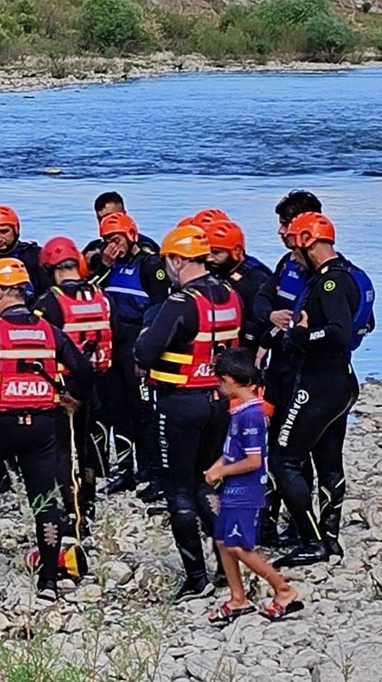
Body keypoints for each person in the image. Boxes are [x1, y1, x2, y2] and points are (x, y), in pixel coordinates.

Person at [0, 258, 91, 601]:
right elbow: (83, 368)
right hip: (41, 425)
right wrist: (72, 397)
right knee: (45, 502)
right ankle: (50, 583)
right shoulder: (49, 331)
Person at [134, 224, 241, 602]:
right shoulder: (230, 294)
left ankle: (196, 576)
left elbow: (144, 353)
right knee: (206, 483)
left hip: (180, 404)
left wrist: (145, 337)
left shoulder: (180, 304)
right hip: (219, 401)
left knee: (179, 491)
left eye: (169, 262)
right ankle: (232, 561)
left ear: (179, 260)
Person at [273, 213, 374, 568]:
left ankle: (313, 540)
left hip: (318, 384)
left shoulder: (329, 283)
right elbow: (367, 323)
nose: (291, 253)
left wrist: (299, 335)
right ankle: (329, 537)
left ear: (306, 241)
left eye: (293, 244)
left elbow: (337, 332)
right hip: (341, 380)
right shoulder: (352, 275)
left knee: (283, 460)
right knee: (328, 462)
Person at [203, 348, 303, 625]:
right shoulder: (241, 410)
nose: (219, 386)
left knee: (239, 545)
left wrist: (222, 469)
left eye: (220, 381)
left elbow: (253, 460)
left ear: (230, 380)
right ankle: (238, 598)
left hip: (246, 489)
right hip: (232, 486)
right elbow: (233, 449)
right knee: (223, 540)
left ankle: (283, 590)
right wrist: (217, 466)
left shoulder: (252, 416)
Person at [252, 190, 320, 548]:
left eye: (283, 224)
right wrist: (271, 317)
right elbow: (262, 299)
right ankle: (271, 520)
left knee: (294, 450)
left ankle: (304, 527)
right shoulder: (286, 263)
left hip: (306, 372)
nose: (279, 231)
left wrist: (297, 328)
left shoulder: (324, 271)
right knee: (274, 443)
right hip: (278, 367)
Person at [32, 237, 108, 541]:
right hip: (96, 381)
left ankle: (71, 513)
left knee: (64, 453)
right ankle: (88, 502)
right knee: (88, 448)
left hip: (63, 387)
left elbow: (38, 347)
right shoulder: (100, 295)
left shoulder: (48, 303)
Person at [93, 212, 170, 497]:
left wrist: (147, 348)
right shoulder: (108, 265)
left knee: (144, 411)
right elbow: (93, 292)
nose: (113, 246)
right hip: (112, 344)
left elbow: (162, 307)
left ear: (131, 235)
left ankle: (153, 470)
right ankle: (125, 470)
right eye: (107, 241)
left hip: (137, 343)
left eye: (116, 239)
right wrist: (105, 264)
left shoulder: (150, 265)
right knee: (117, 409)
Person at [201, 218, 272, 347]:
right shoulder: (217, 269)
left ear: (236, 252)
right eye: (207, 252)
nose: (209, 258)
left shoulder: (255, 279)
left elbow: (259, 325)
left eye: (216, 252)